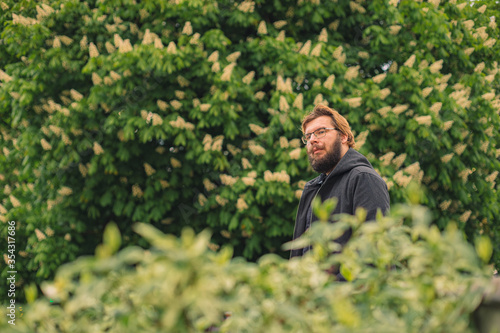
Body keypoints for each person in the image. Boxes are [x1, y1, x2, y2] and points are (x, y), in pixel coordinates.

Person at [290, 104, 390, 260]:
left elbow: (373, 249)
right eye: (308, 136)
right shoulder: (313, 188)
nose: (313, 140)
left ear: (344, 136)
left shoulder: (363, 178)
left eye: (320, 132)